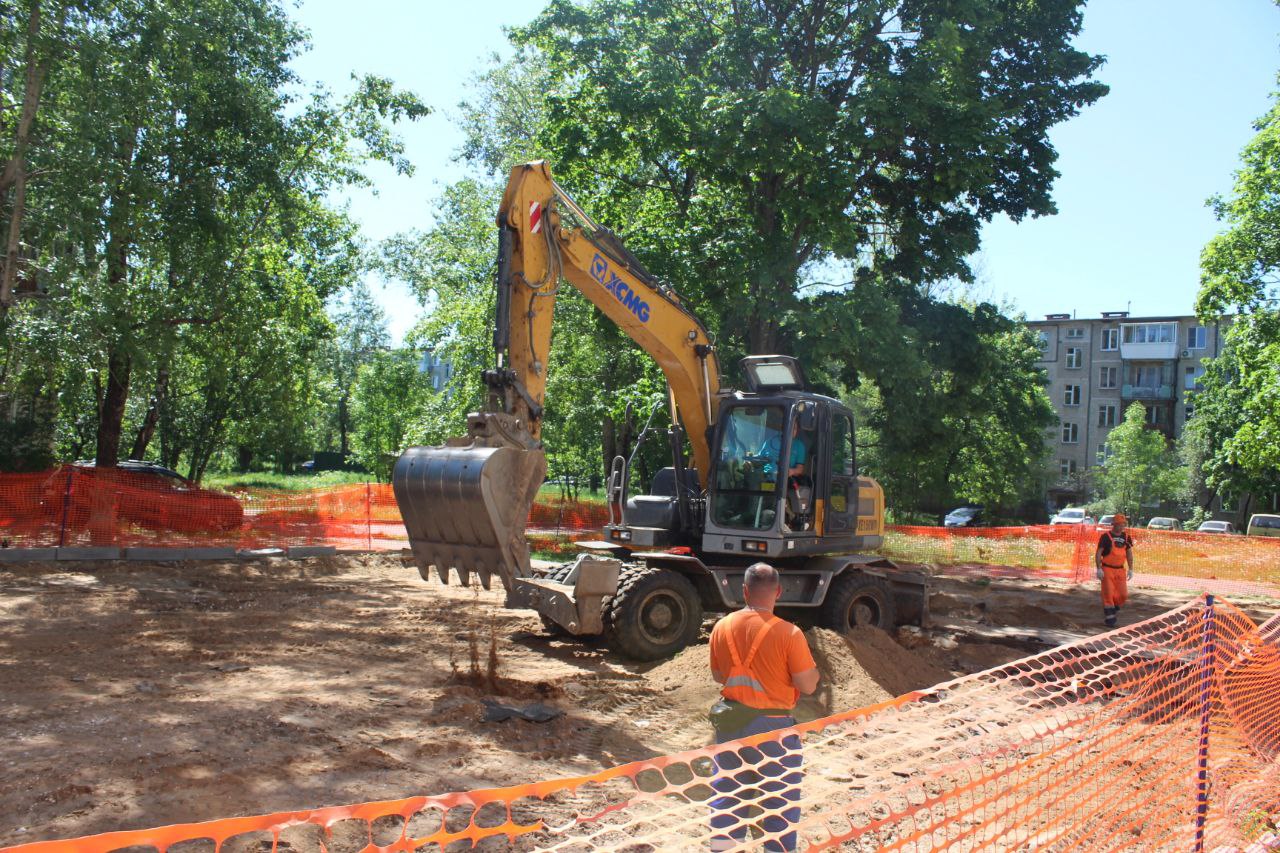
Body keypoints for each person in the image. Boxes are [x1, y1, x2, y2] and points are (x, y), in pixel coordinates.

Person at [707, 563, 820, 852]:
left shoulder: (722, 627)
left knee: (727, 797)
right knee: (779, 803)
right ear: (779, 592)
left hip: (731, 724)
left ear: (744, 591)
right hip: (774, 730)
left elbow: (720, 675)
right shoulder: (789, 634)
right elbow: (807, 685)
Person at [1095, 513, 1136, 628]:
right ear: (1113, 524)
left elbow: (1129, 553)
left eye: (1123, 524)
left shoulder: (1126, 537)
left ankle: (1114, 606)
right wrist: (1098, 568)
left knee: (1122, 594)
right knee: (1108, 594)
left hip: (1120, 570)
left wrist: (1131, 569)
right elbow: (1098, 553)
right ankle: (1110, 618)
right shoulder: (1105, 537)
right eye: (1119, 524)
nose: (1121, 527)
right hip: (1107, 569)